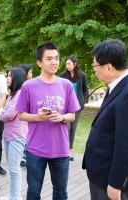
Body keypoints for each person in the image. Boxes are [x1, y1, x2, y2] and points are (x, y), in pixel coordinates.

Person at [82, 39, 128, 200]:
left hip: (111, 181)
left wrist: (116, 183)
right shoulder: (119, 86)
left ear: (109, 67)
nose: (94, 70)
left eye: (95, 65)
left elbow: (126, 145)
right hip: (101, 173)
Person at [16, 42, 80, 199]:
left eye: (57, 58)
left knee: (61, 193)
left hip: (61, 149)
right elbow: (20, 115)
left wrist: (62, 117)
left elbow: (72, 114)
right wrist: (37, 117)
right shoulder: (28, 86)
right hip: (35, 150)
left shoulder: (66, 85)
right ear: (39, 63)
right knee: (33, 192)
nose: (54, 62)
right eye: (49, 59)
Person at [0, 67, 28, 200]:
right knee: (12, 167)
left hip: (17, 135)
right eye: (7, 75)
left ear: (16, 78)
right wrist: (3, 113)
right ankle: (13, 194)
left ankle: (15, 196)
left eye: (10, 75)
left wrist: (2, 114)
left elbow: (8, 114)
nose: (7, 78)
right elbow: (5, 112)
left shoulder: (20, 93)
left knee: (14, 168)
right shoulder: (13, 94)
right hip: (9, 134)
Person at [60, 55, 88, 161]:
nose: (67, 66)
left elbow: (85, 90)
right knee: (66, 127)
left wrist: (82, 103)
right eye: (66, 64)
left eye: (69, 63)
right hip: (65, 106)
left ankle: (70, 151)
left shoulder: (82, 76)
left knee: (73, 129)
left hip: (77, 106)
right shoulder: (62, 75)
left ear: (75, 64)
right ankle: (64, 150)